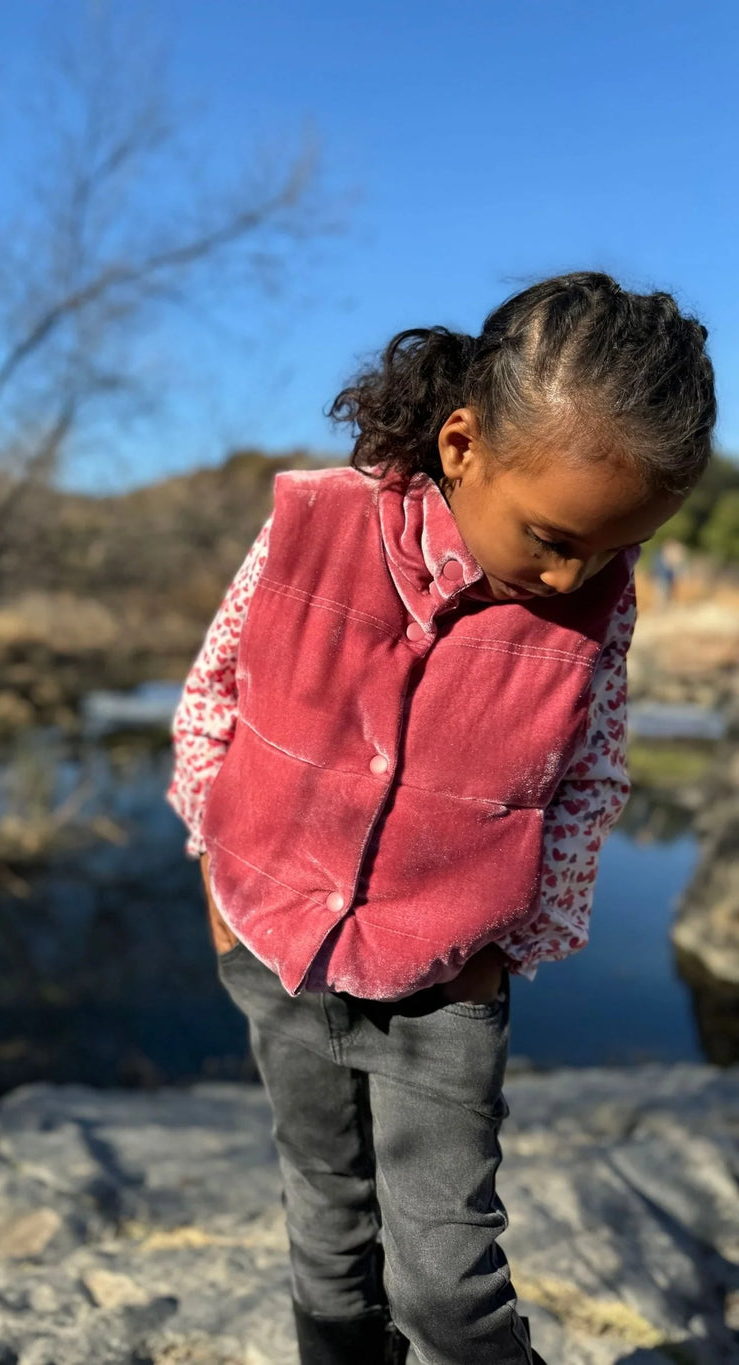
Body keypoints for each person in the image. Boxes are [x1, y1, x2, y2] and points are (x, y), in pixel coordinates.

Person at [167, 272, 716, 1365]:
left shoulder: (592, 608)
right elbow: (211, 694)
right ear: (461, 444)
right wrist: (212, 870)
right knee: (326, 1233)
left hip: (446, 985)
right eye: (555, 536)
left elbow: (592, 777)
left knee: (448, 1286)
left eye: (614, 548)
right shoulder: (312, 524)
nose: (577, 572)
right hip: (271, 944)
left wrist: (509, 948)